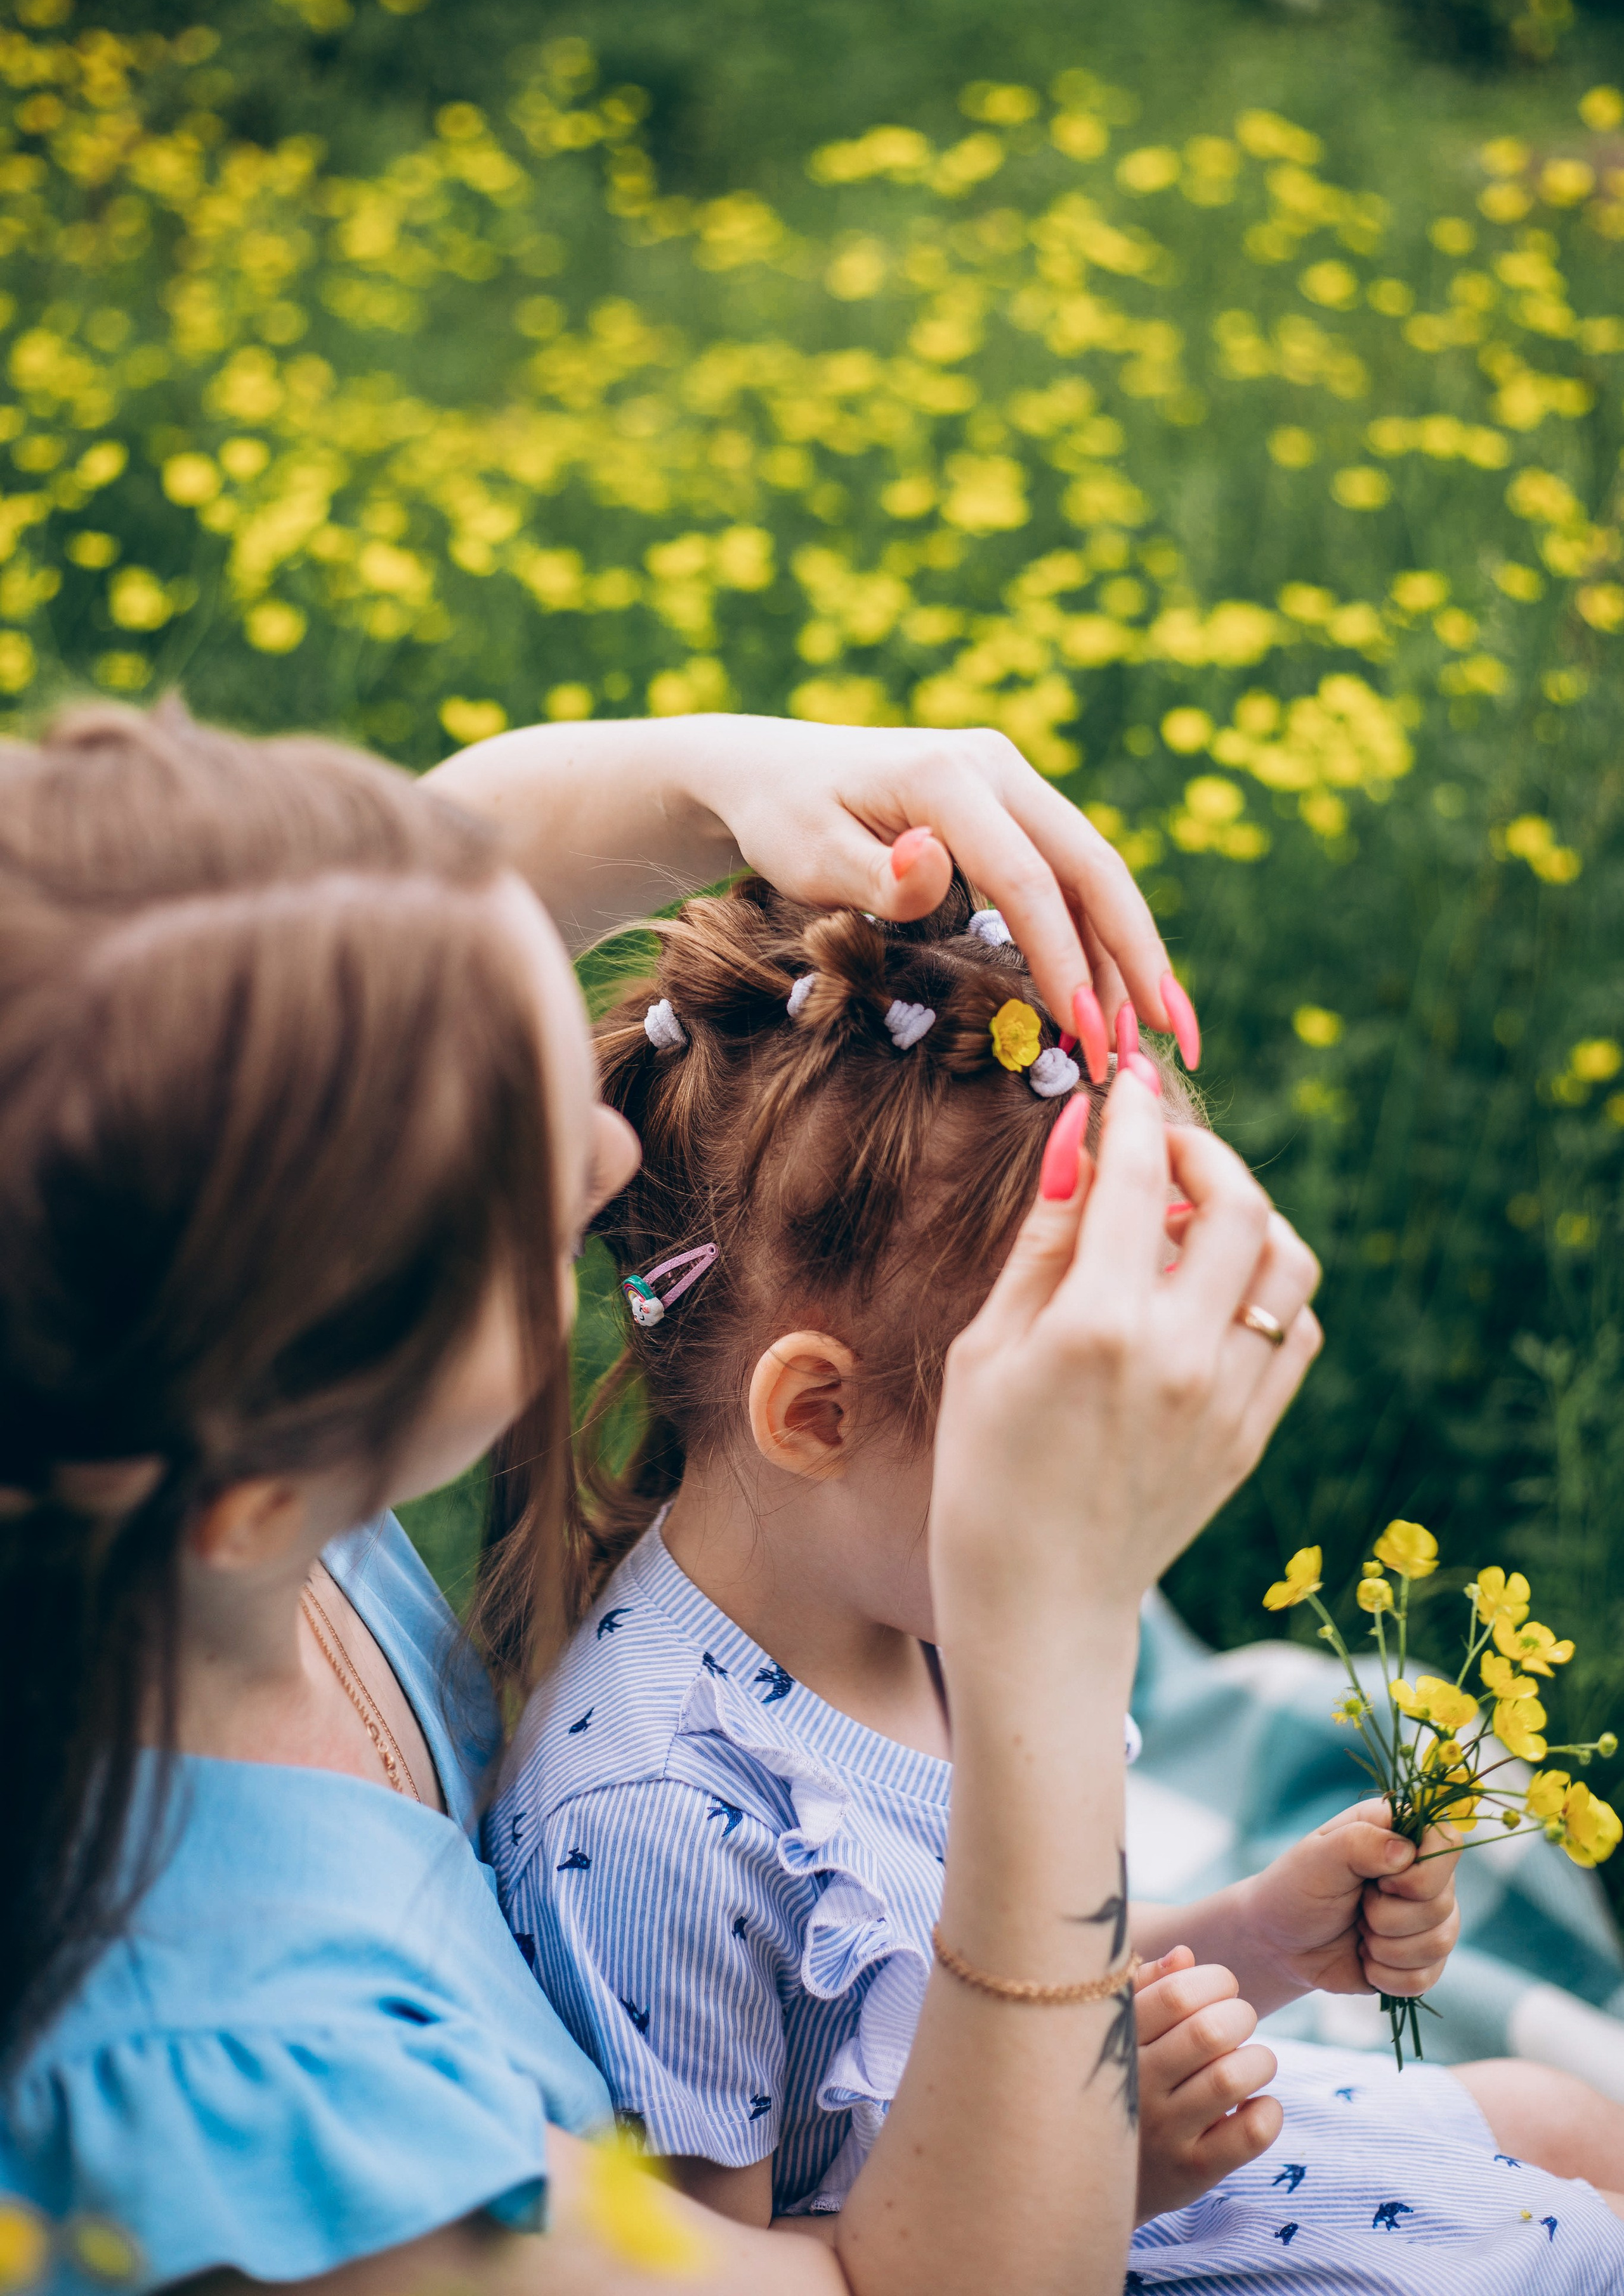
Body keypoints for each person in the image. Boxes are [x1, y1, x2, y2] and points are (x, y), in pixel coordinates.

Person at [0, 700, 1317, 2296]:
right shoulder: (259, 2100)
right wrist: (1050, 1624)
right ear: (244, 1471)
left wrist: (722, 776)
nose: (611, 1164)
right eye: (519, 1184)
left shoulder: (129, 1432)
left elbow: (392, 915)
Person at [493, 872, 1624, 2291]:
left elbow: (997, 1964)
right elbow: (716, 2260)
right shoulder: (658, 1811)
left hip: (1155, 2179)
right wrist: (1112, 2161)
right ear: (818, 1416)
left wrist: (1251, 1937)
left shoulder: (914, 1616)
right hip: (1051, 2251)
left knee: (1574, 2120)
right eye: (1054, 1411)